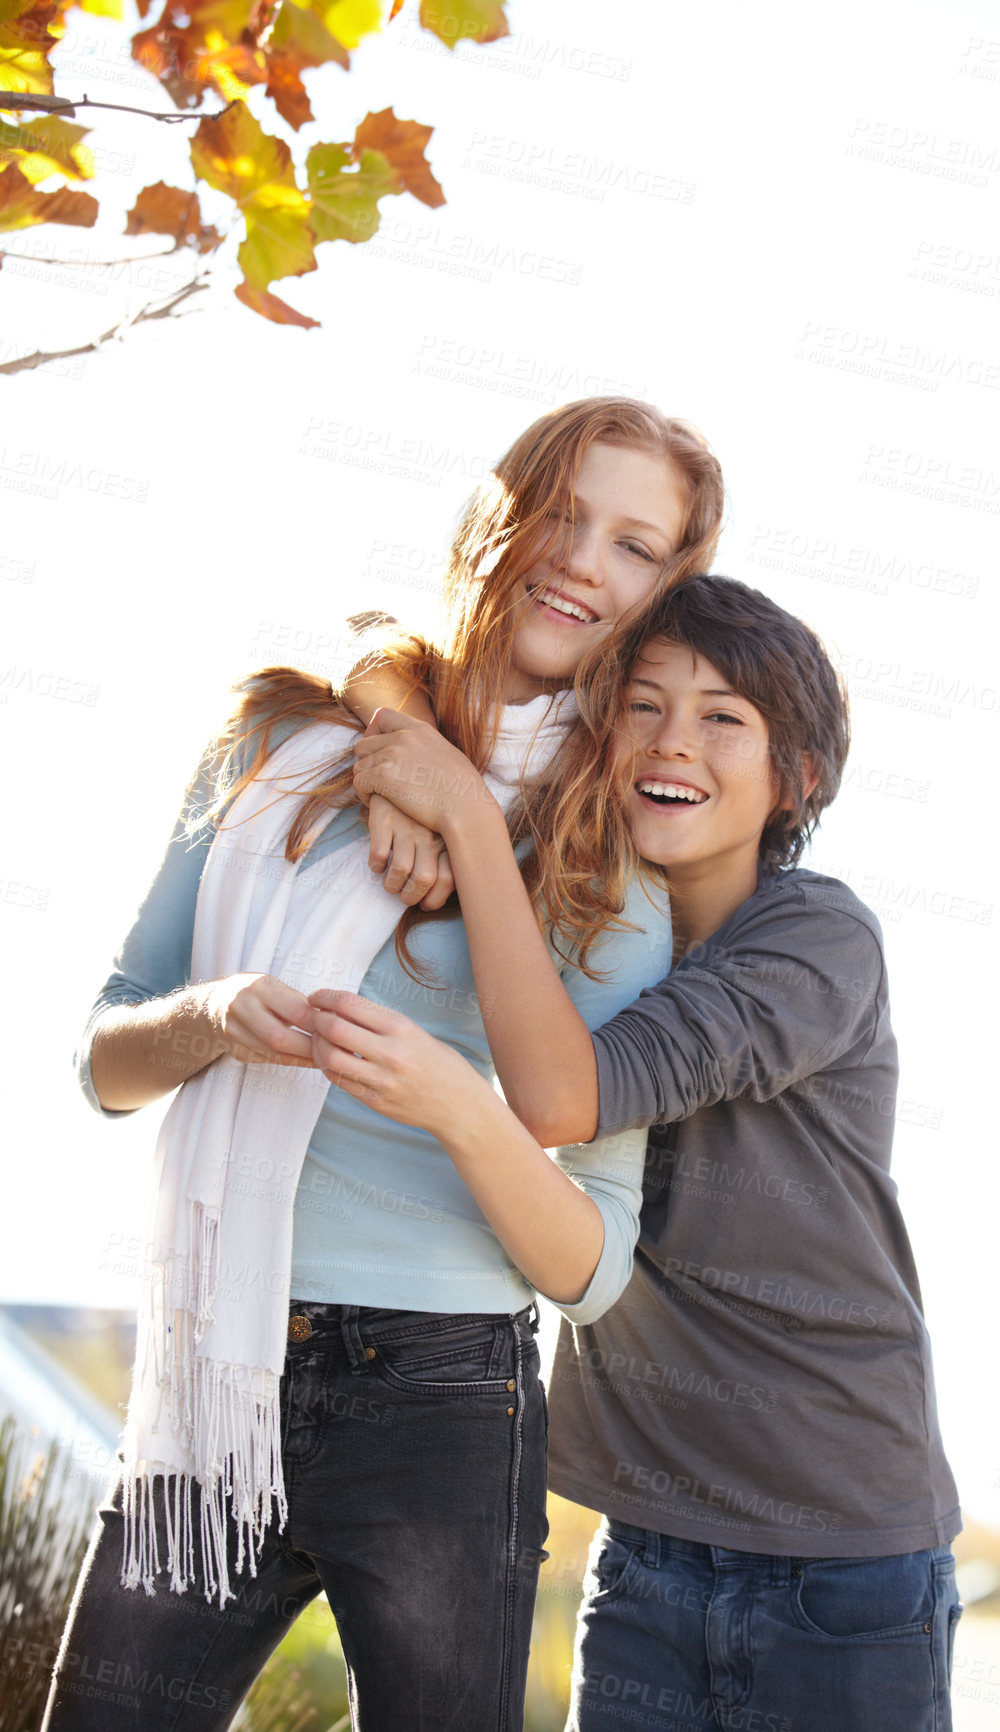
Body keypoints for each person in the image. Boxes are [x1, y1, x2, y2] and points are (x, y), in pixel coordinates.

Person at [42, 399, 724, 1732]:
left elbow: (589, 1263)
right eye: (563, 511)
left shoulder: (613, 865)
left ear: (664, 597)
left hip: (440, 1401)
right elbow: (106, 1067)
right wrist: (214, 1016)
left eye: (634, 546)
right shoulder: (278, 750)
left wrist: (458, 1101)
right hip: (211, 1379)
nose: (582, 560)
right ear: (494, 515)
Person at [342, 574, 962, 1732]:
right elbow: (384, 640)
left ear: (799, 778)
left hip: (841, 1560)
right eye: (640, 705)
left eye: (723, 716)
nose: (672, 739)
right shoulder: (570, 923)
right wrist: (402, 752)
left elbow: (558, 1098)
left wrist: (465, 818)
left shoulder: (814, 937)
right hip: (646, 1551)